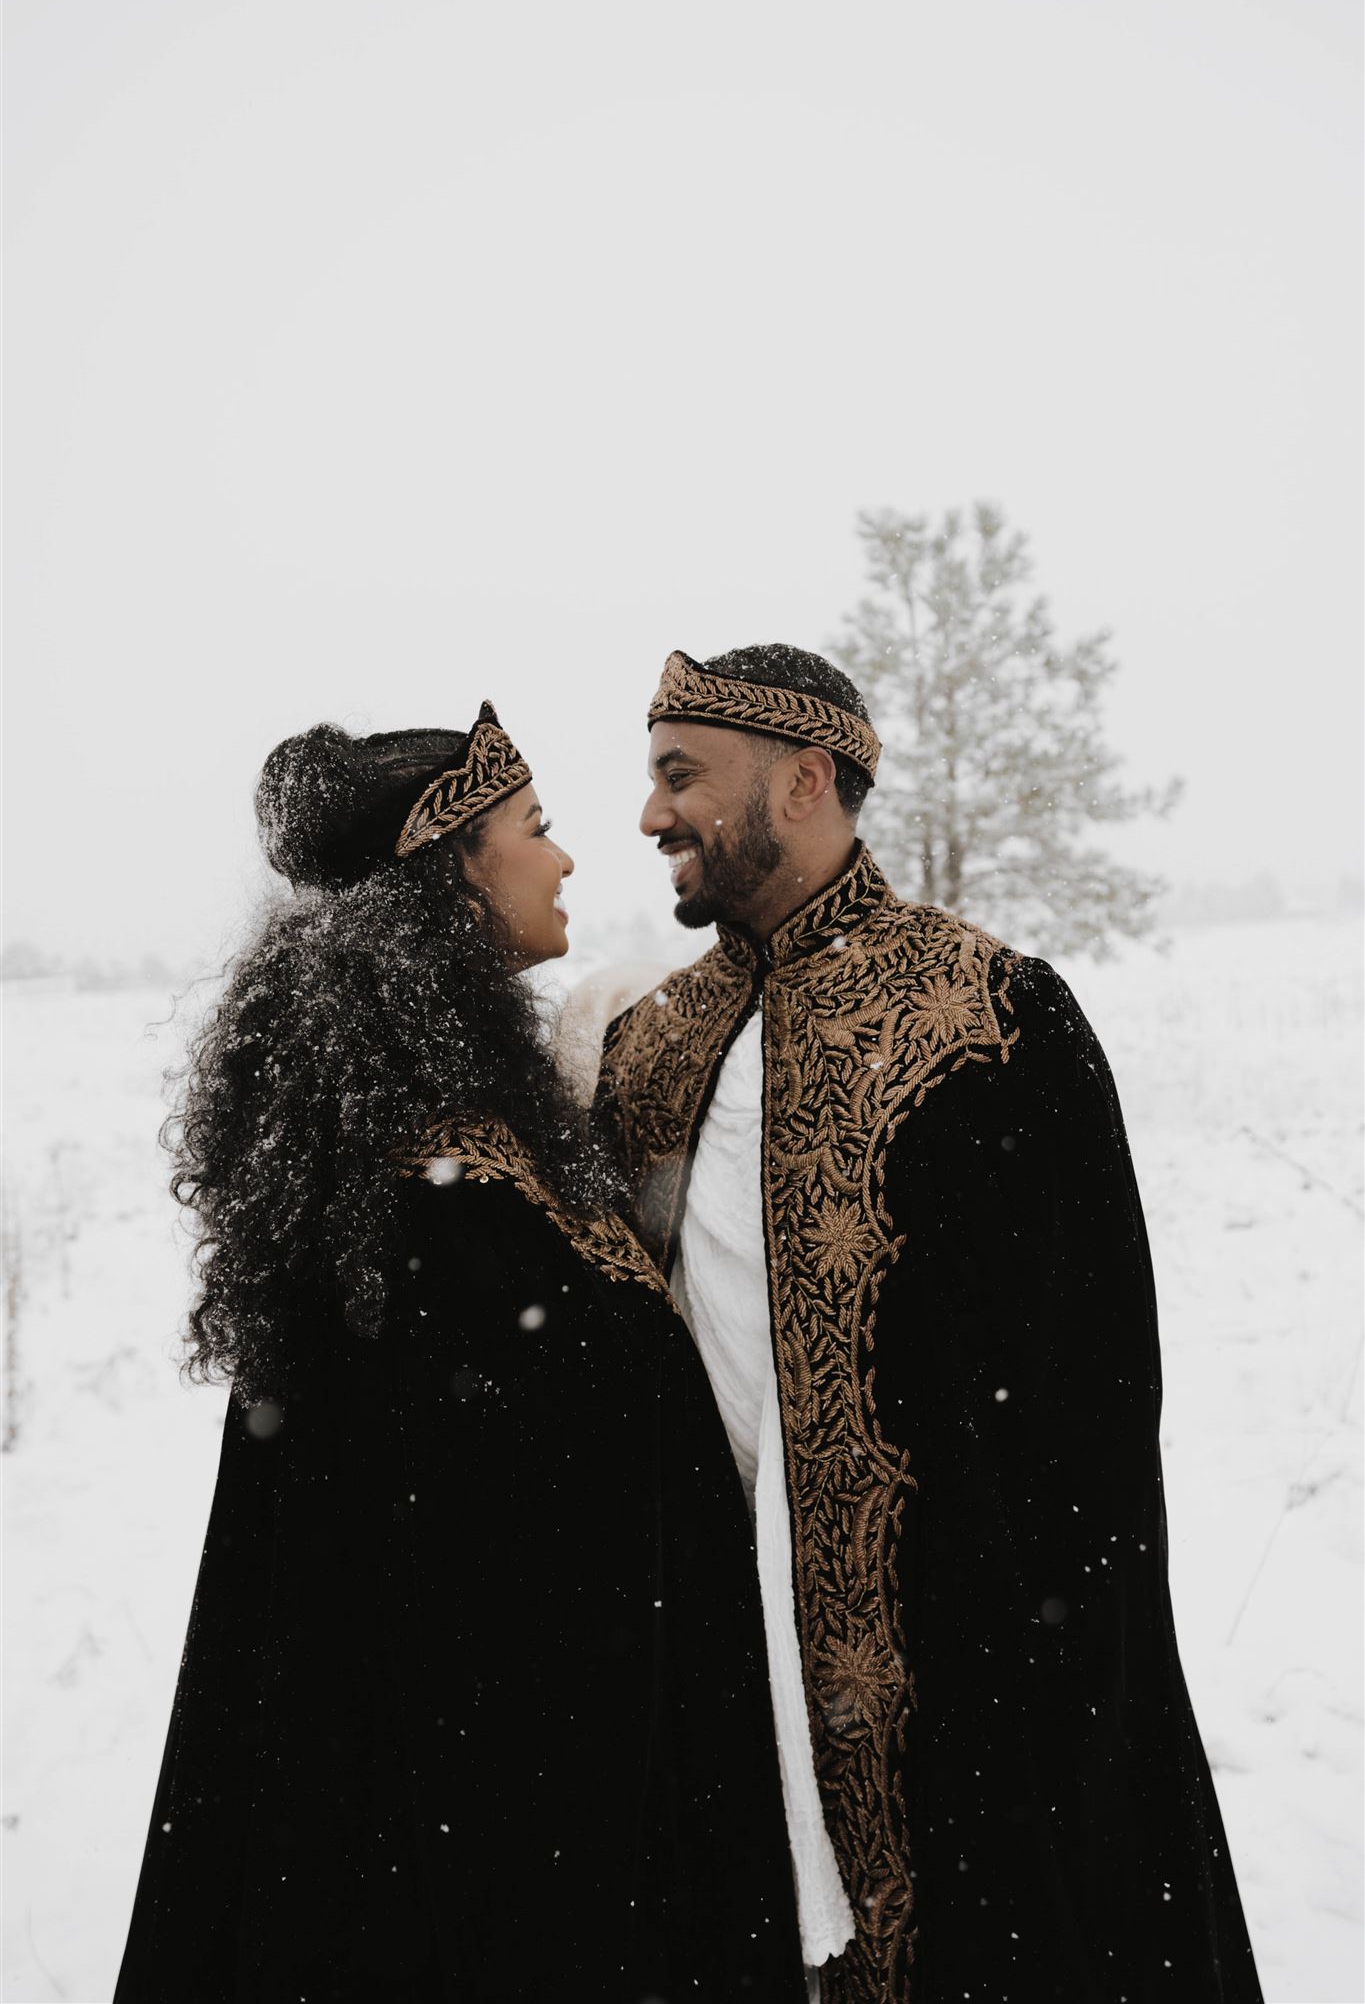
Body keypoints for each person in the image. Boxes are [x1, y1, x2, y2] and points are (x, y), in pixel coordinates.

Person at [593, 646, 1264, 2004]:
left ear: (801, 780)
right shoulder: (648, 1048)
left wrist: (1067, 1667)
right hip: (721, 1671)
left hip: (966, 1688)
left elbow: (1092, 1400)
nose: (651, 816)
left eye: (681, 777)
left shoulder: (994, 1018)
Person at [115, 703, 806, 2003]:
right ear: (452, 875)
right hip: (497, 1847)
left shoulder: (470, 1140)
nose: (565, 859)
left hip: (547, 1806)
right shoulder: (416, 1204)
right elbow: (454, 1584)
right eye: (533, 832)